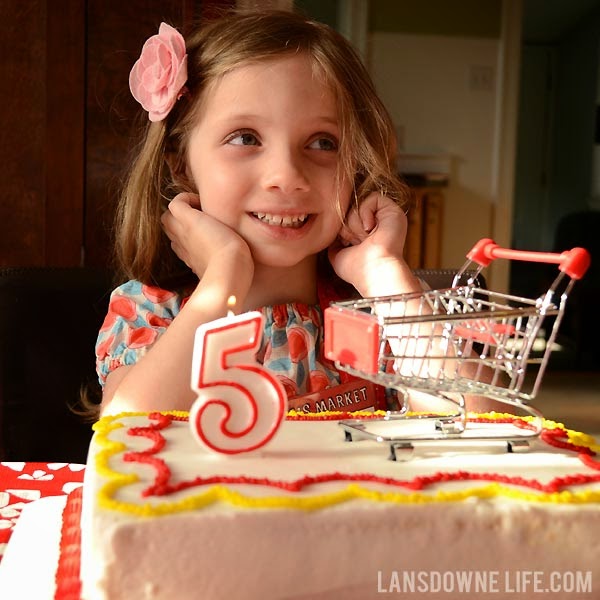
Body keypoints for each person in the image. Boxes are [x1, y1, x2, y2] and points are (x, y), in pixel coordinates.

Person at [94, 9, 490, 418]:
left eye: (322, 143)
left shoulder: (383, 309)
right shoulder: (151, 311)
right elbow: (126, 434)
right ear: (180, 164)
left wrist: (383, 273)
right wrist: (223, 280)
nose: (287, 176)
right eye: (245, 138)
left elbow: (486, 431)